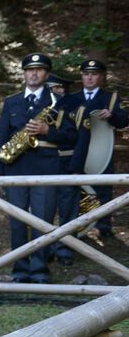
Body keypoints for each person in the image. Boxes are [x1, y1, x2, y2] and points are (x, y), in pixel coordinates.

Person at [0, 53, 78, 283]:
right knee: (17, 222)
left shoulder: (59, 101)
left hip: (46, 167)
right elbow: (2, 139)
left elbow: (72, 136)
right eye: (29, 69)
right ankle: (20, 270)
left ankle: (40, 270)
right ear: (23, 73)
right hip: (15, 168)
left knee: (43, 220)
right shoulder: (11, 101)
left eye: (39, 69)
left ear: (46, 74)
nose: (33, 73)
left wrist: (47, 131)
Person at [65, 59, 128, 240]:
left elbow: (124, 120)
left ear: (101, 77)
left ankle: (104, 225)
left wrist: (113, 115)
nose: (90, 78)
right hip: (76, 150)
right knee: (79, 188)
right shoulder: (72, 98)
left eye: (94, 74)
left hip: (102, 149)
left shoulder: (111, 98)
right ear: (82, 76)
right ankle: (80, 225)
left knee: (103, 188)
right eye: (86, 74)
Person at [45, 73, 78, 262]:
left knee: (68, 210)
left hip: (66, 162)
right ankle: (45, 249)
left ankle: (65, 249)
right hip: (41, 165)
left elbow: (74, 137)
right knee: (43, 211)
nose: (53, 92)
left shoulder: (72, 109)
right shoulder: (36, 107)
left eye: (55, 88)